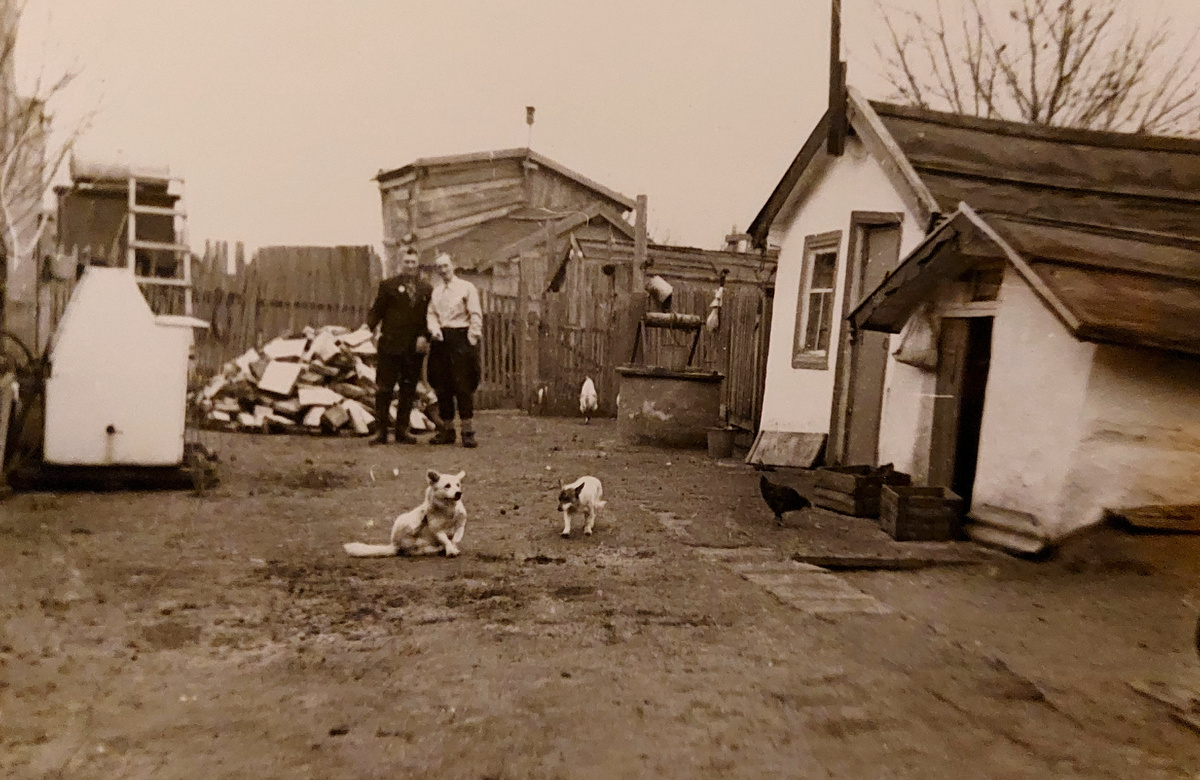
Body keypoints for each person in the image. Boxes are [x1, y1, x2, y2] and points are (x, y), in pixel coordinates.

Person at [366, 246, 432, 445]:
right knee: (384, 389)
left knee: (408, 389)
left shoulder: (426, 289)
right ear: (400, 263)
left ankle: (402, 430)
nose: (410, 266)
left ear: (417, 264)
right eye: (407, 262)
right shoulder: (388, 286)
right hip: (390, 346)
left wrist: (425, 336)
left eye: (413, 262)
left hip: (413, 348)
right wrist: (367, 329)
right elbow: (376, 311)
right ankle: (381, 432)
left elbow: (430, 317)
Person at [426, 251, 483, 448]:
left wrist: (472, 337)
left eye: (445, 266)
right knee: (442, 384)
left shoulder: (467, 288)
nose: (443, 270)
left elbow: (475, 313)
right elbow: (431, 314)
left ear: (453, 265)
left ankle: (467, 431)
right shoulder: (437, 291)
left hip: (461, 338)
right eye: (439, 267)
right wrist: (434, 330)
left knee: (463, 385)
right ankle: (447, 431)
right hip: (441, 339)